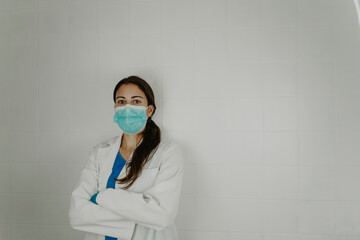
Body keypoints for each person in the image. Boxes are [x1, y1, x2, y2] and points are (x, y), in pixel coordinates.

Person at [69, 76, 184, 240]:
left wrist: (101, 197)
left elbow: (162, 216)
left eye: (136, 102)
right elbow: (77, 214)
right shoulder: (99, 153)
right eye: (121, 101)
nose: (127, 107)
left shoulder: (168, 153)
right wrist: (139, 214)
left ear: (149, 110)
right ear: (115, 107)